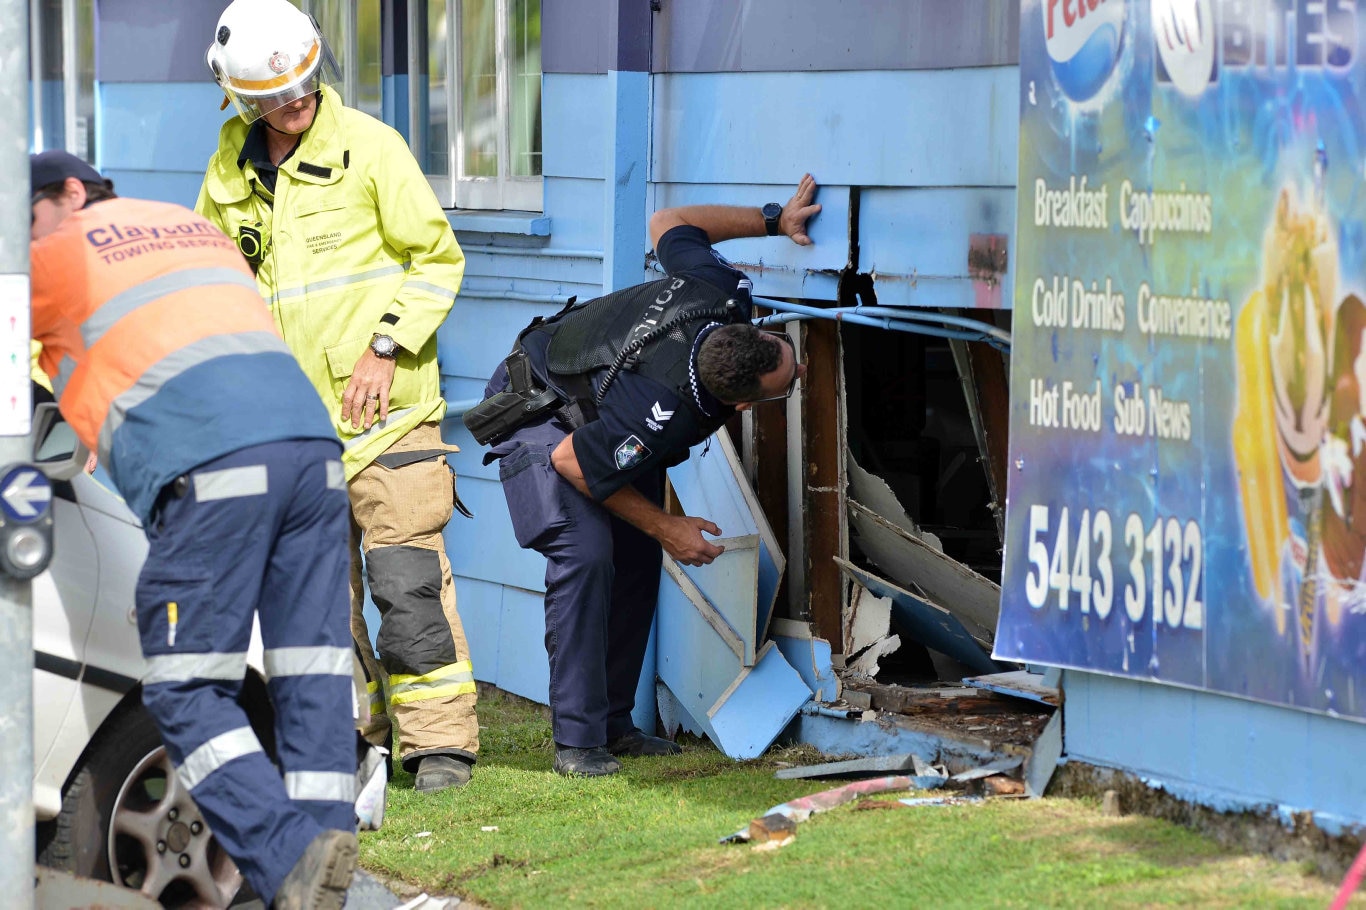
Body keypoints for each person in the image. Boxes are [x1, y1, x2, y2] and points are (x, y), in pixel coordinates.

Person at [30, 150, 357, 909]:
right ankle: (320, 874)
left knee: (182, 688)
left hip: (212, 467)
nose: (23, 237)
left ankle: (287, 857)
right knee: (309, 675)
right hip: (311, 456)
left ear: (71, 194)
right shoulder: (187, 227)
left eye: (26, 217)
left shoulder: (58, 254)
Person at [195, 0, 480, 793]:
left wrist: (385, 346)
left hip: (388, 417)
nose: (299, 104)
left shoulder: (371, 149)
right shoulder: (227, 174)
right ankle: (351, 744)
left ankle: (439, 750)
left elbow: (437, 259)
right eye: (277, 98)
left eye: (305, 86)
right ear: (243, 101)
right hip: (290, 426)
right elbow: (216, 288)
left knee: (406, 583)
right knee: (318, 603)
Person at [470, 175, 820, 776]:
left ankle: (614, 726)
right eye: (790, 382)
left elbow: (669, 222)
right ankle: (579, 744)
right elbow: (571, 462)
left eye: (780, 345)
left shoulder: (722, 291)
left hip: (601, 414)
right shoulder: (664, 409)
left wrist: (771, 219)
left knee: (634, 551)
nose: (799, 366)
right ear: (740, 406)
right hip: (541, 408)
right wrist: (670, 528)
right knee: (586, 553)